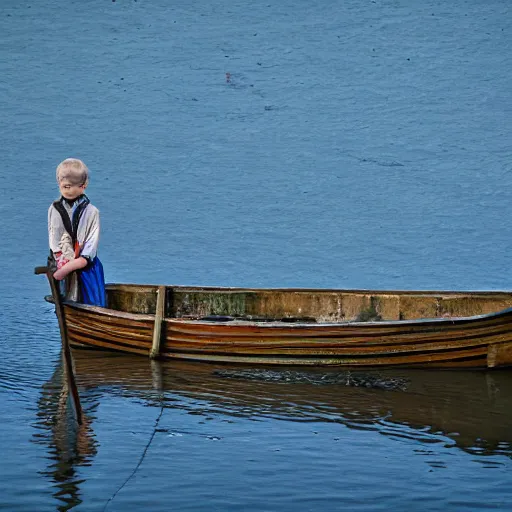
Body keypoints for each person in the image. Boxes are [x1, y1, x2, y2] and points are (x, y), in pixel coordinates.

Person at [48, 158, 106, 307]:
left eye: (71, 186)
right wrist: (61, 258)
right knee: (64, 299)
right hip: (62, 262)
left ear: (83, 186)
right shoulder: (55, 209)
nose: (67, 189)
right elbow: (54, 237)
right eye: (64, 186)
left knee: (93, 303)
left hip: (86, 267)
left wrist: (73, 265)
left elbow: (90, 249)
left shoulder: (92, 212)